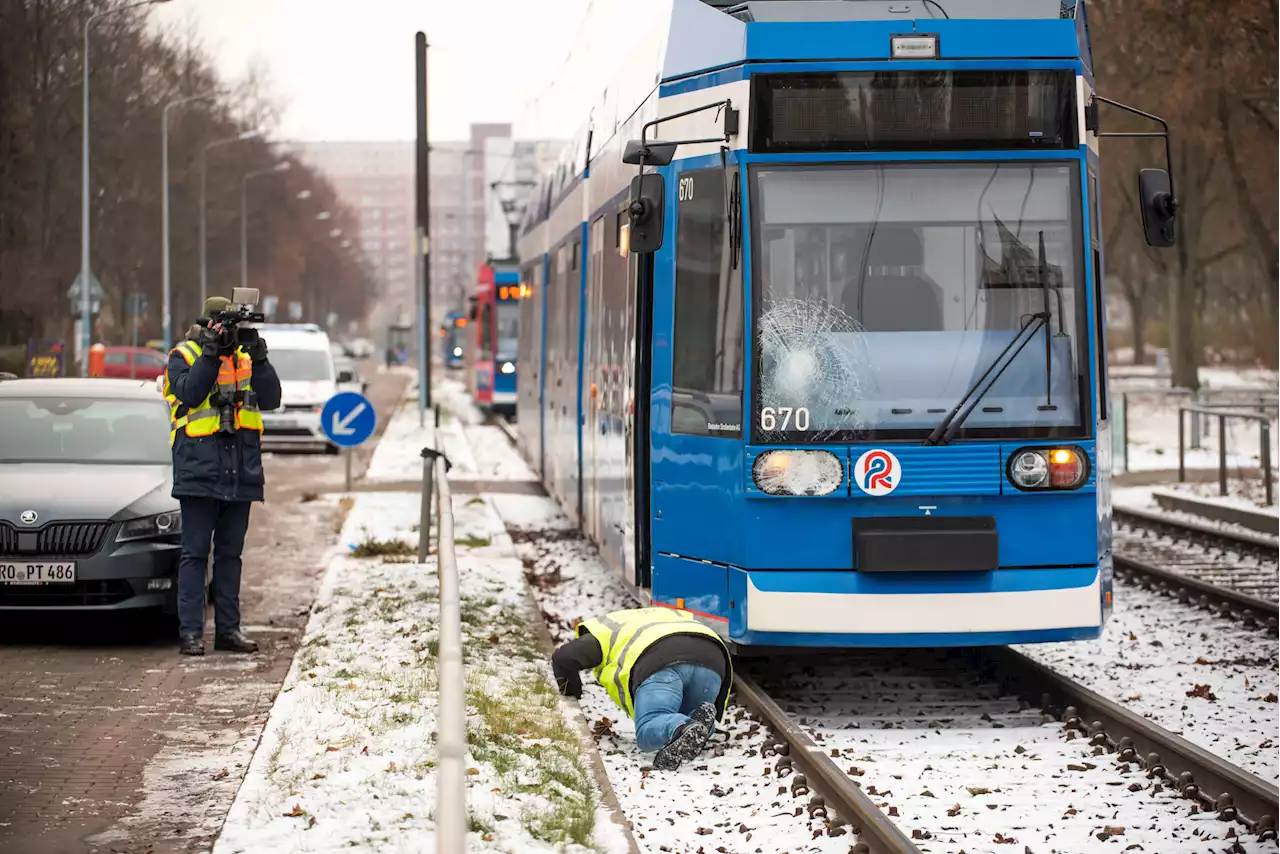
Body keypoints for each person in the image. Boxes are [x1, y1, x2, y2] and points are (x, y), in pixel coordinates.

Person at [164, 296, 281, 656]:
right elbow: (191, 392)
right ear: (206, 324)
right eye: (222, 325)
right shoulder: (182, 356)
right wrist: (211, 354)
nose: (228, 333)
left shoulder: (245, 357)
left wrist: (260, 356)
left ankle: (228, 631)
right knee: (195, 555)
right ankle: (191, 634)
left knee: (231, 557)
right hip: (199, 473)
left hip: (240, 473)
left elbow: (272, 398)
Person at [552, 606, 733, 770]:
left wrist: (572, 694)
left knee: (648, 730)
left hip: (662, 661)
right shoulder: (668, 614)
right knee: (689, 717)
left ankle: (681, 726)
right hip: (713, 659)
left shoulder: (604, 630)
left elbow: (564, 658)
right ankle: (698, 724)